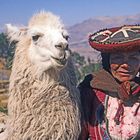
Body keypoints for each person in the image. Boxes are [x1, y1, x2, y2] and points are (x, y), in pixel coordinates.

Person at [78, 25, 140, 140]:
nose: (126, 65)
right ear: (107, 61)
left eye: (133, 58)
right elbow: (81, 133)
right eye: (118, 58)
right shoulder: (92, 90)